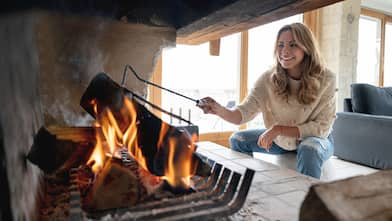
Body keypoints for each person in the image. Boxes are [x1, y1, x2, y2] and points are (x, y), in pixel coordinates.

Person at [197, 22, 336, 179]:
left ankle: (309, 200)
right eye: (280, 45)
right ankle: (249, 186)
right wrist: (218, 109)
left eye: (293, 44)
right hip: (281, 141)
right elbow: (242, 114)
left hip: (316, 139)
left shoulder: (327, 78)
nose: (285, 51)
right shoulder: (267, 79)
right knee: (238, 139)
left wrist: (278, 129)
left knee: (309, 149)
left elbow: (321, 128)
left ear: (307, 47)